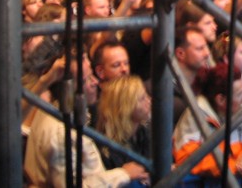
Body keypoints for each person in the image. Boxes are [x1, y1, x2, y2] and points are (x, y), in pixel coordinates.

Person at [24, 53, 149, 187]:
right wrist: (123, 174)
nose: (95, 82)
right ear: (69, 89)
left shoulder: (53, 111)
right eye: (86, 79)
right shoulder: (61, 133)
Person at [173, 63, 242, 182]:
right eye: (239, 94)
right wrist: (233, 166)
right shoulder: (195, 116)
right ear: (221, 99)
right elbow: (187, 158)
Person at [97, 75, 152, 173]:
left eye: (146, 95)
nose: (149, 101)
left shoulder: (144, 131)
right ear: (125, 107)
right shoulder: (107, 149)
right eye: (142, 99)